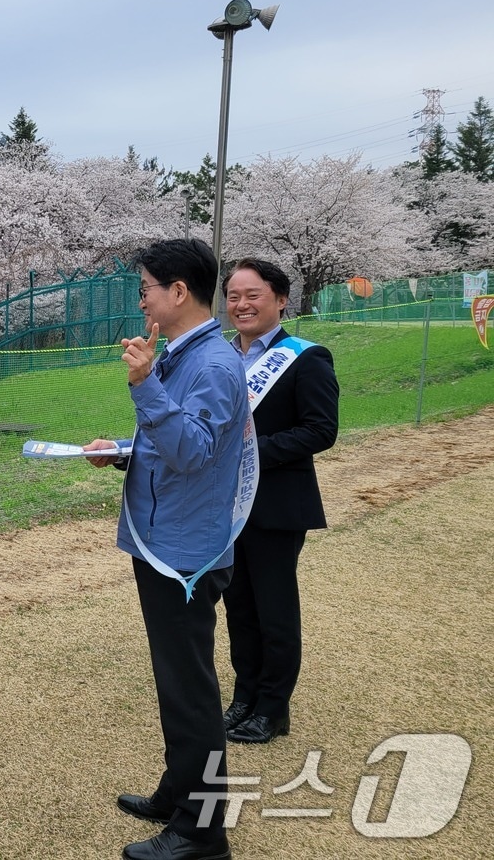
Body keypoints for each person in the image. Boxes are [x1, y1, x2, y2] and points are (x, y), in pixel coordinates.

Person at [83, 239, 248, 860]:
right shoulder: (190, 353)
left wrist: (145, 384)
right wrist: (123, 448)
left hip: (183, 555)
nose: (143, 299)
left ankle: (202, 833)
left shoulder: (211, 365)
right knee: (175, 681)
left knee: (190, 691)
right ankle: (178, 792)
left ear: (180, 292)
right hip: (165, 541)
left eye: (148, 287)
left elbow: (193, 451)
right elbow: (171, 441)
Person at [220, 259, 339, 745]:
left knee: (274, 608)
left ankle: (273, 708)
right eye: (232, 296)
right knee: (238, 607)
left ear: (281, 299)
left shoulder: (306, 357)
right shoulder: (221, 358)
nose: (241, 305)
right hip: (225, 506)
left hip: (275, 504)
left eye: (253, 295)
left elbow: (320, 430)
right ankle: (244, 697)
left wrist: (250, 455)